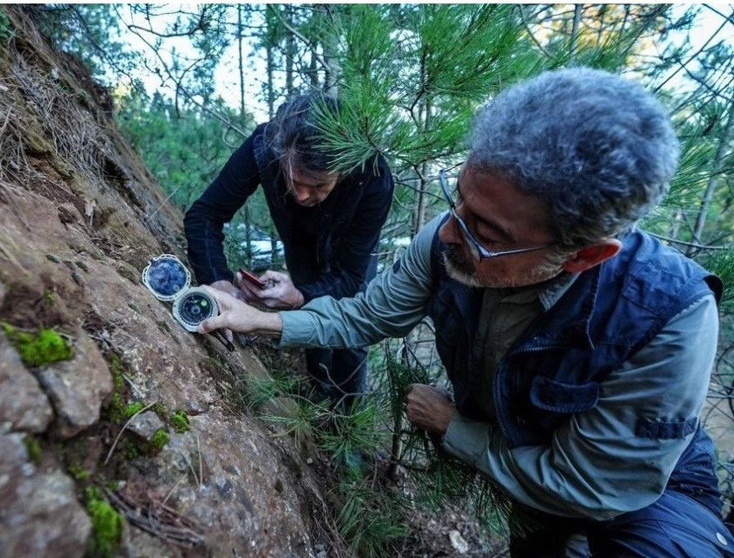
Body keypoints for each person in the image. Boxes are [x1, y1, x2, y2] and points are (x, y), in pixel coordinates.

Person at [197, 68, 734, 556]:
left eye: (489, 233)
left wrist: (457, 427)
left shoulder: (671, 317)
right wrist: (260, 320)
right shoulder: (451, 236)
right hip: (529, 490)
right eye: (460, 202)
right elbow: (364, 315)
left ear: (584, 255)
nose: (448, 233)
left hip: (649, 503)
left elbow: (594, 487)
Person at [184, 92, 394, 408]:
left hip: (352, 254)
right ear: (281, 153)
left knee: (352, 334)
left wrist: (298, 296)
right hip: (301, 243)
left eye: (320, 185)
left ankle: (344, 421)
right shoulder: (265, 146)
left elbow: (350, 275)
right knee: (311, 321)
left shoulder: (373, 175)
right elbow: (205, 215)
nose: (301, 195)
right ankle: (316, 395)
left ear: (345, 170)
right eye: (294, 179)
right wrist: (219, 281)